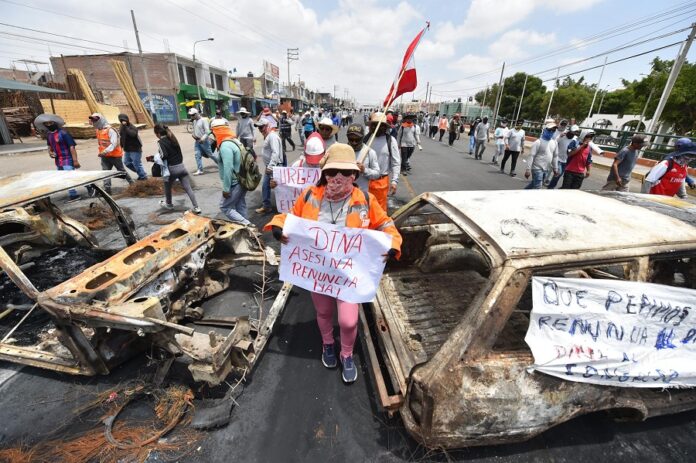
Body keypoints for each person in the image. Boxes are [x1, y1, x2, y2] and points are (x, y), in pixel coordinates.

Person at [264, 143, 403, 383]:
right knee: (324, 311)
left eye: (346, 172)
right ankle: (328, 344)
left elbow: (385, 224)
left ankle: (346, 353)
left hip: (349, 275)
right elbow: (291, 217)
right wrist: (278, 224)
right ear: (324, 173)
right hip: (320, 273)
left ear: (354, 175)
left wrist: (394, 243)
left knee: (348, 321)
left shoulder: (366, 200)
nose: (338, 177)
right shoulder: (309, 195)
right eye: (332, 171)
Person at [150, 124, 200, 214]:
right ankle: (196, 207)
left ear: (157, 133)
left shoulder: (160, 142)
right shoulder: (172, 138)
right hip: (182, 167)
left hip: (172, 169)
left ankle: (169, 204)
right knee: (188, 188)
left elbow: (163, 155)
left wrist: (154, 158)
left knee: (167, 186)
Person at [209, 119, 250, 225]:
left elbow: (228, 168)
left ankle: (249, 226)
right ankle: (247, 230)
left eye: (213, 132)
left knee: (225, 207)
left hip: (235, 182)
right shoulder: (235, 141)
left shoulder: (225, 146)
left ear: (217, 131)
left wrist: (226, 189)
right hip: (243, 178)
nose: (212, 136)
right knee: (240, 205)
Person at [88, 112, 133, 194]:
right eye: (93, 120)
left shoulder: (111, 130)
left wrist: (105, 151)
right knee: (105, 172)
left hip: (115, 156)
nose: (94, 122)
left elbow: (114, 144)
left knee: (121, 171)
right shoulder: (98, 130)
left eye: (95, 120)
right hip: (105, 156)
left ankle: (132, 184)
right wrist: (103, 153)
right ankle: (107, 189)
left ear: (101, 120)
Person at [43, 116, 85, 201]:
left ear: (55, 123)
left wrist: (75, 161)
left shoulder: (63, 133)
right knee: (65, 178)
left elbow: (72, 147)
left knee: (69, 178)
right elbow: (49, 146)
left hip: (67, 159)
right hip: (58, 160)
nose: (49, 125)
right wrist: (50, 153)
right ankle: (89, 185)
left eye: (50, 123)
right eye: (46, 124)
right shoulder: (49, 135)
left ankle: (74, 195)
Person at [366, 112, 401, 211]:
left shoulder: (390, 140)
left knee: (379, 211)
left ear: (385, 127)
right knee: (364, 210)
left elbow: (396, 162)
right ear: (370, 126)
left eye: (380, 125)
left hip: (381, 182)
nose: (376, 127)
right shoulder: (365, 139)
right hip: (364, 181)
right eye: (374, 125)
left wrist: (394, 181)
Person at [255, 116, 284, 214]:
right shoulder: (269, 136)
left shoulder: (272, 136)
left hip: (274, 167)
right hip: (271, 166)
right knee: (267, 187)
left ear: (267, 126)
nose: (260, 130)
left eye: (261, 127)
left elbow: (275, 153)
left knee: (277, 187)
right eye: (259, 128)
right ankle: (267, 206)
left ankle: (283, 208)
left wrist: (271, 166)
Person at [524, 119, 558, 189]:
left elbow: (555, 156)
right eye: (550, 130)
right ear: (545, 130)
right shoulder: (538, 142)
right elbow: (531, 156)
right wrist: (528, 170)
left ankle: (523, 193)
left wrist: (555, 168)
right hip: (537, 168)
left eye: (553, 130)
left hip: (546, 168)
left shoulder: (554, 142)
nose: (551, 132)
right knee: (538, 187)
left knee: (534, 184)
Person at [347, 123, 380, 193]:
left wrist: (364, 170)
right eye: (351, 139)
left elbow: (377, 174)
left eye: (357, 139)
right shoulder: (342, 150)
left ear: (362, 138)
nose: (354, 142)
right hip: (344, 194)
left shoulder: (370, 152)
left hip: (362, 194)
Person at [547, 124, 579, 189]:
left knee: (558, 176)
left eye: (575, 132)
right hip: (558, 158)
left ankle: (551, 186)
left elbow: (575, 149)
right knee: (558, 173)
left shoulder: (575, 139)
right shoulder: (562, 135)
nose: (573, 134)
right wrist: (559, 137)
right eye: (573, 132)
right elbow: (554, 142)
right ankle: (550, 186)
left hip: (566, 160)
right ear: (569, 131)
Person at [118, 114, 147, 181]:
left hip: (135, 149)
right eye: (121, 120)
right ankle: (141, 173)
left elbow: (132, 134)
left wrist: (125, 127)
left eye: (124, 120)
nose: (123, 121)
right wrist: (121, 146)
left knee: (137, 164)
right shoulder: (122, 127)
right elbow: (122, 136)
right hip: (127, 149)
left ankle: (143, 177)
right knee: (127, 162)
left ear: (127, 120)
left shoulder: (132, 127)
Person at [189, 108, 214, 175]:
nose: (192, 116)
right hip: (197, 141)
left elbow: (208, 131)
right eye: (191, 115)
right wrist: (193, 135)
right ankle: (200, 169)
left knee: (210, 155)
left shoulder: (204, 120)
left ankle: (220, 164)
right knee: (197, 155)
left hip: (204, 141)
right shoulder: (194, 121)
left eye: (193, 115)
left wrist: (202, 139)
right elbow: (196, 130)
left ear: (197, 113)